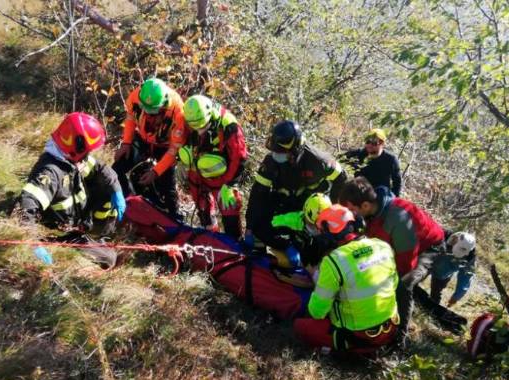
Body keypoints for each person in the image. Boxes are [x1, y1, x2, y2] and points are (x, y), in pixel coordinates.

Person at [337, 177, 444, 346]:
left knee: (403, 285)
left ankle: (399, 336)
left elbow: (405, 264)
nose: (351, 214)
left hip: (429, 247)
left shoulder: (398, 219)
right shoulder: (373, 208)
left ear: (365, 206)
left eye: (352, 209)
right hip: (399, 242)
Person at [293, 204, 400, 356]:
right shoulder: (383, 246)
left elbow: (317, 312)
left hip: (357, 337)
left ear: (327, 234)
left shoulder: (333, 262)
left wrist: (314, 275)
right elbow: (393, 285)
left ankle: (337, 351)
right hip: (391, 329)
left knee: (300, 326)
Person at [244, 120, 348, 268]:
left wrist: (332, 208)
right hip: (284, 203)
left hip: (310, 208)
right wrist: (249, 227)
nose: (277, 156)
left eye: (282, 153)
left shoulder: (318, 161)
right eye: (276, 151)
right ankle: (260, 261)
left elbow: (341, 179)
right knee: (260, 226)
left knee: (318, 245)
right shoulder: (271, 162)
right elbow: (258, 194)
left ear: (296, 150)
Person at [19, 112, 125, 233]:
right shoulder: (51, 172)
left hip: (80, 219)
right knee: (109, 253)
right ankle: (95, 239)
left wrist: (116, 190)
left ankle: (100, 233)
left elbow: (101, 169)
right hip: (61, 234)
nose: (88, 155)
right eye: (87, 150)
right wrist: (33, 245)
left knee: (107, 188)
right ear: (78, 147)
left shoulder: (70, 159)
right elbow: (26, 205)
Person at [112, 77, 188, 218]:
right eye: (145, 110)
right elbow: (130, 118)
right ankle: (129, 205)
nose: (147, 114)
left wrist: (156, 171)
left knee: (167, 186)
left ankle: (173, 219)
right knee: (117, 169)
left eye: (152, 112)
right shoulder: (137, 96)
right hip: (142, 138)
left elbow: (173, 150)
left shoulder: (178, 112)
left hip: (165, 146)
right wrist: (126, 143)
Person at [179, 95, 248, 238]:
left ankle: (234, 244)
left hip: (223, 175)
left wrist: (230, 185)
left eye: (203, 126)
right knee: (202, 206)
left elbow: (239, 158)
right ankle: (211, 237)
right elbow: (180, 141)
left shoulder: (228, 125)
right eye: (195, 127)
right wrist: (181, 163)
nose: (200, 130)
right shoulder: (187, 118)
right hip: (197, 169)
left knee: (229, 207)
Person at [270, 193, 343, 267]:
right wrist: (286, 245)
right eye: (311, 223)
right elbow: (268, 228)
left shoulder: (331, 229)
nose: (315, 227)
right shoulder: (289, 220)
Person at [343, 128, 402, 196]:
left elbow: (397, 182)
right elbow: (339, 159)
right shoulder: (359, 154)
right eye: (367, 142)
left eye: (374, 143)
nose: (369, 145)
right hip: (360, 194)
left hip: (380, 196)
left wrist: (394, 199)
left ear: (382, 143)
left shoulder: (391, 159)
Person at [430, 231, 477, 307]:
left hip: (442, 275)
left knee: (436, 292)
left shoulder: (470, 257)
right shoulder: (442, 236)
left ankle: (432, 307)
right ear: (454, 241)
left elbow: (465, 277)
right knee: (415, 279)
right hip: (428, 263)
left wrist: (456, 297)